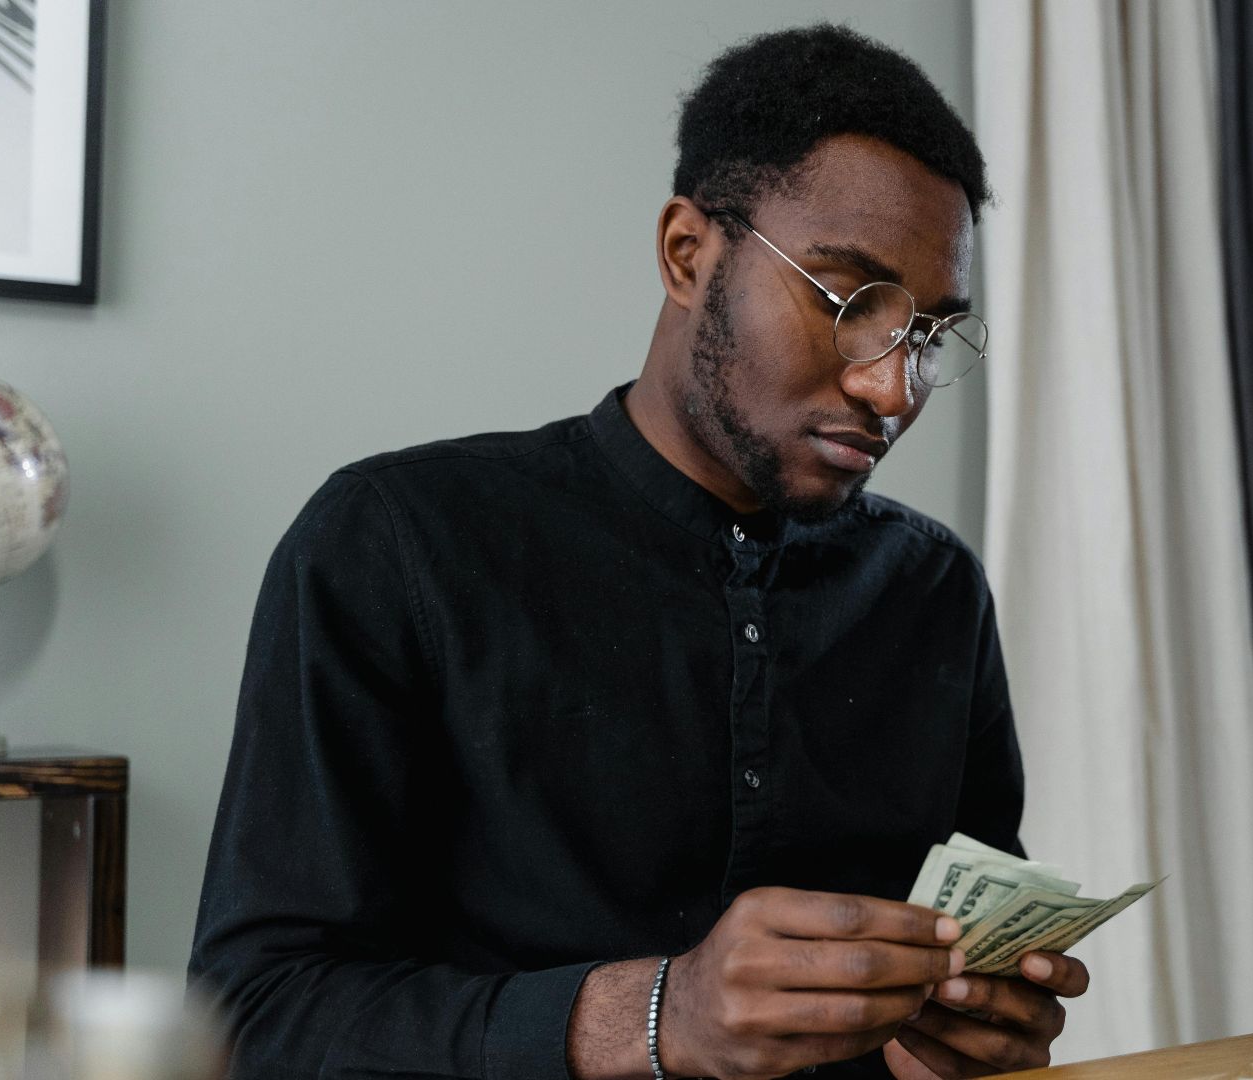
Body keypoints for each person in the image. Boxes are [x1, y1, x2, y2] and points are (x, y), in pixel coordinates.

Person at [189, 23, 1091, 1080]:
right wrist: (655, 1013)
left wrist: (975, 1033)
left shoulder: (934, 591)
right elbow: (254, 1019)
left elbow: (958, 1000)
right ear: (686, 254)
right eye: (853, 305)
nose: (892, 390)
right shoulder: (394, 543)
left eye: (930, 337)